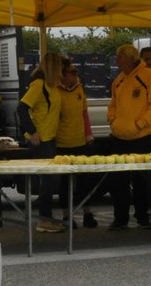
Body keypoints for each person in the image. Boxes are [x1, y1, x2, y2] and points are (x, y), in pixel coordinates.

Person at [105, 43, 151, 229]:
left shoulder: (149, 76)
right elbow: (112, 104)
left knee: (142, 181)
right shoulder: (118, 80)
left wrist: (140, 124)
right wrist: (112, 119)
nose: (116, 60)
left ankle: (142, 217)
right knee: (117, 182)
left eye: (119, 57)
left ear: (130, 58)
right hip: (119, 138)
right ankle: (120, 219)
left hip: (141, 138)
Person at [18, 51, 67, 231]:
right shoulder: (39, 85)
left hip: (51, 137)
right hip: (41, 140)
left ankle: (47, 216)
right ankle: (43, 220)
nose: (63, 69)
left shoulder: (52, 86)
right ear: (54, 67)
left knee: (51, 180)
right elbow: (22, 108)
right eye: (60, 66)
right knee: (47, 181)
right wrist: (32, 132)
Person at [54, 61, 98, 228]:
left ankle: (87, 213)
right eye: (71, 72)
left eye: (75, 72)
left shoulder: (80, 89)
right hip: (63, 143)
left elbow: (84, 113)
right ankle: (67, 216)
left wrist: (88, 134)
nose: (75, 75)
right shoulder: (57, 91)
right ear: (63, 75)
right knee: (65, 182)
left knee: (85, 179)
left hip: (80, 141)